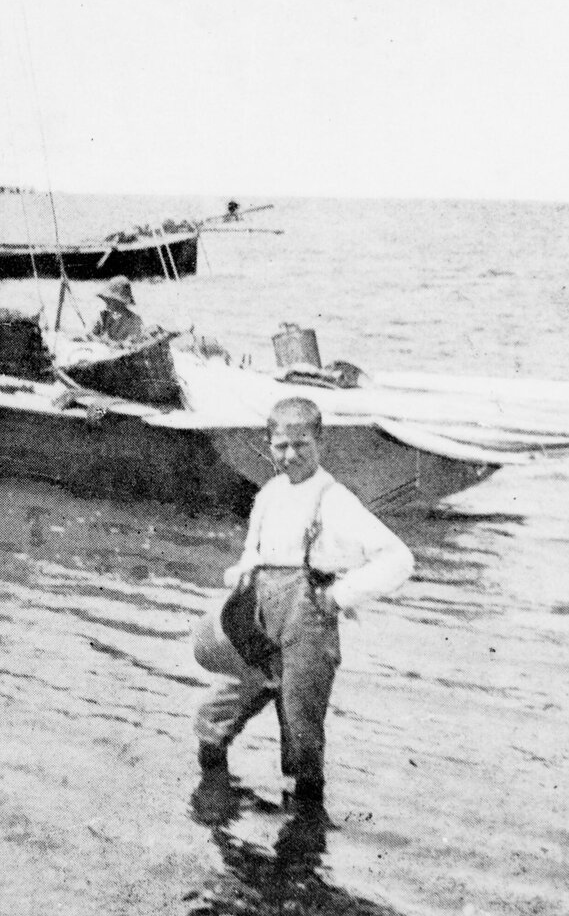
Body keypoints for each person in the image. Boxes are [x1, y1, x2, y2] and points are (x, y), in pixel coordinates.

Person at [190, 397, 414, 825]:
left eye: (302, 445)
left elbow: (398, 559)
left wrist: (339, 596)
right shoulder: (270, 494)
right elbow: (252, 554)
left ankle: (304, 838)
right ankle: (214, 805)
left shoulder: (334, 499)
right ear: (268, 444)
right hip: (259, 623)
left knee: (302, 738)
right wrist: (239, 576)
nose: (290, 456)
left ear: (320, 442)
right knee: (213, 719)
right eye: (281, 446)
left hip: (308, 626)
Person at [87, 276, 153, 344]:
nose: (107, 305)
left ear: (121, 303)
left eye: (111, 302)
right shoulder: (103, 316)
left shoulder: (133, 319)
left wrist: (113, 343)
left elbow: (135, 342)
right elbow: (92, 334)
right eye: (107, 301)